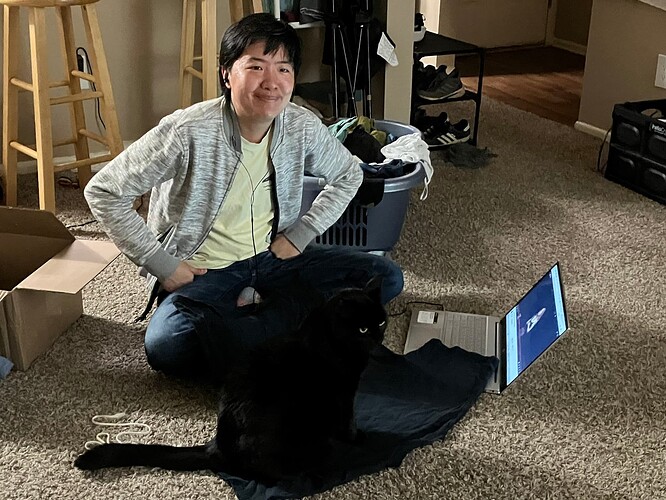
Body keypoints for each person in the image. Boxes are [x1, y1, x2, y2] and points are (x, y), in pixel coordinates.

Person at [84, 13, 403, 379]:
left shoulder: (299, 124)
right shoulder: (188, 130)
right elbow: (104, 191)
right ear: (226, 73)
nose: (272, 83)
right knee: (168, 346)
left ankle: (248, 323)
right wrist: (163, 265)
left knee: (385, 277)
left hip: (272, 257)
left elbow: (348, 175)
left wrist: (302, 234)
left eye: (283, 69)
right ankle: (283, 325)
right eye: (256, 67)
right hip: (203, 271)